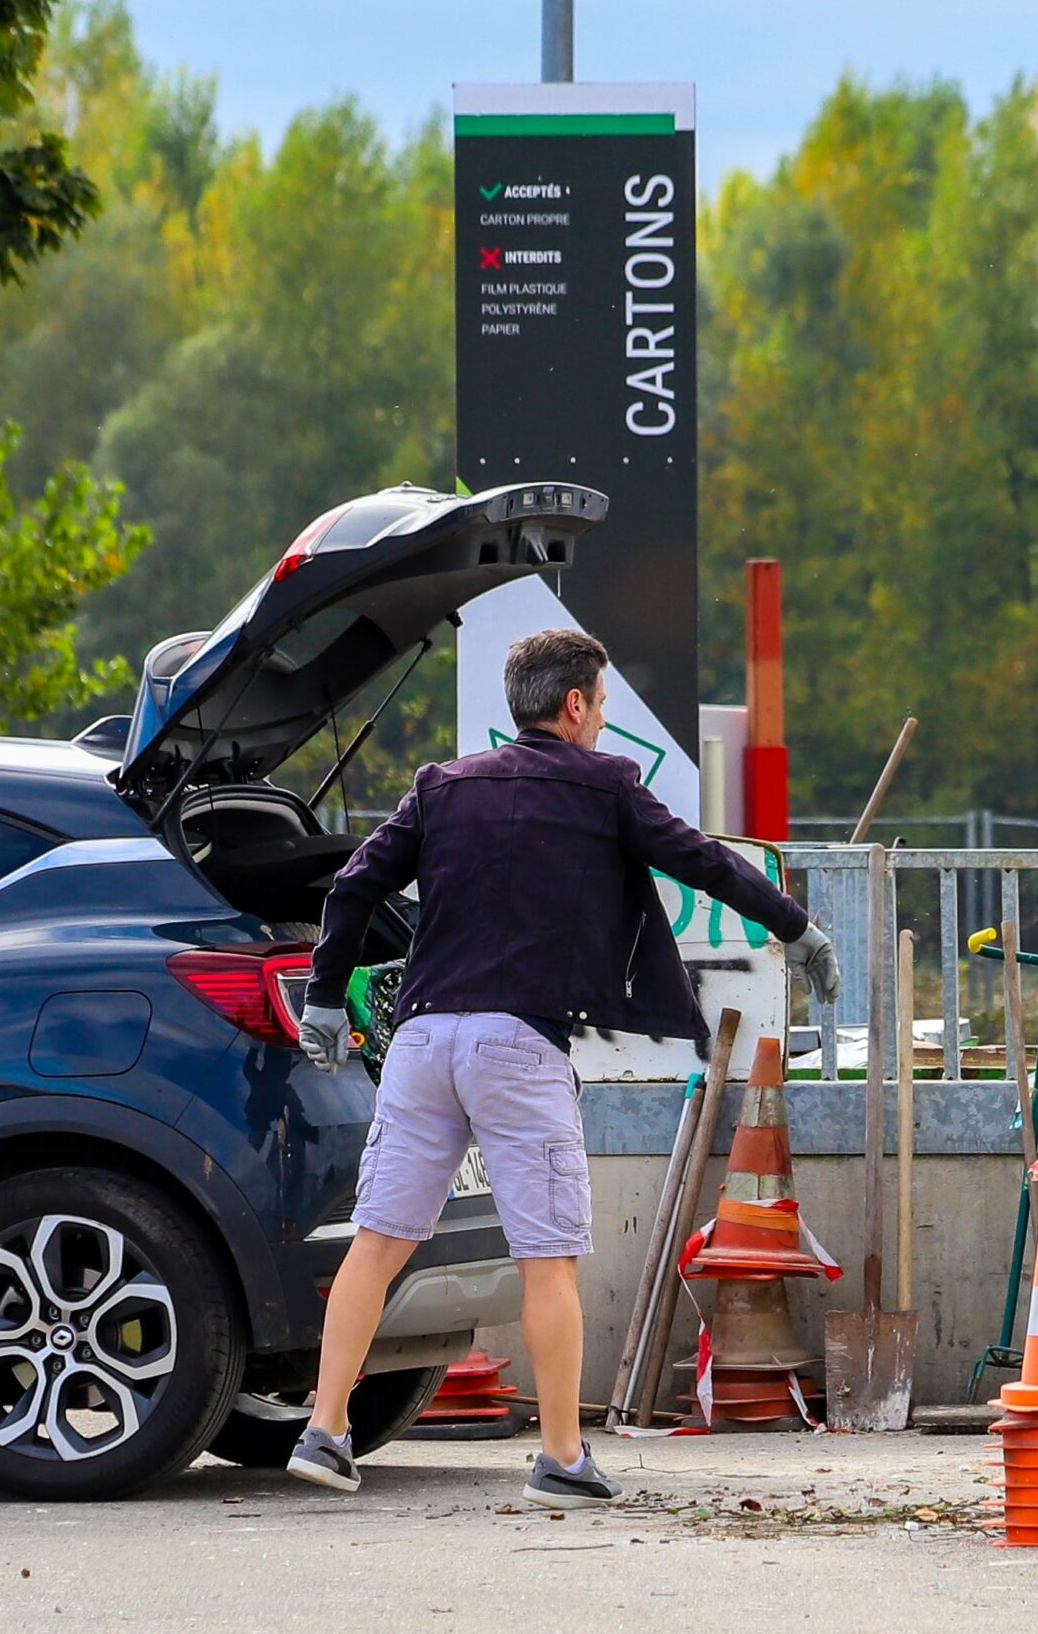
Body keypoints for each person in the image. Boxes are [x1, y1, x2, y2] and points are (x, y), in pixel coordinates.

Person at [287, 629, 839, 1508]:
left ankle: (325, 1429)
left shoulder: (441, 785)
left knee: (378, 1242)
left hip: (422, 1041)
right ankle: (560, 1458)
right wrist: (796, 927)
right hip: (516, 1044)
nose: (603, 719)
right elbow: (701, 859)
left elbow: (352, 885)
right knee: (549, 1260)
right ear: (575, 704)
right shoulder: (606, 785)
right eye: (604, 704)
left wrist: (323, 997)